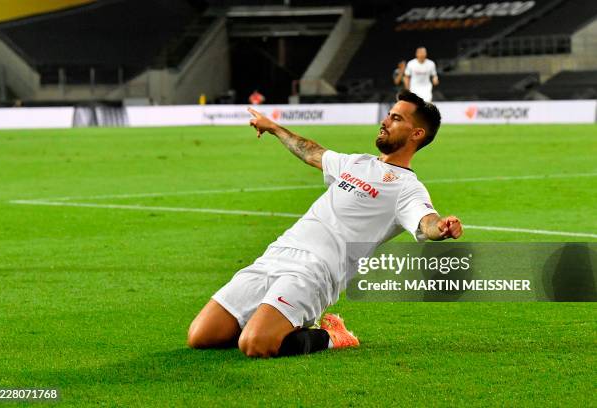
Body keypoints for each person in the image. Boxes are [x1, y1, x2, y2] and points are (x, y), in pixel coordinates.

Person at [188, 90, 463, 358]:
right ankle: (272, 321)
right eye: (389, 115)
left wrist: (442, 227)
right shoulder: (356, 162)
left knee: (255, 345)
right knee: (201, 336)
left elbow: (426, 221)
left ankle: (332, 336)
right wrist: (273, 128)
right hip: (278, 253)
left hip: (315, 272)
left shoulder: (407, 188)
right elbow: (311, 152)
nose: (385, 121)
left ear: (417, 134)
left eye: (396, 119)